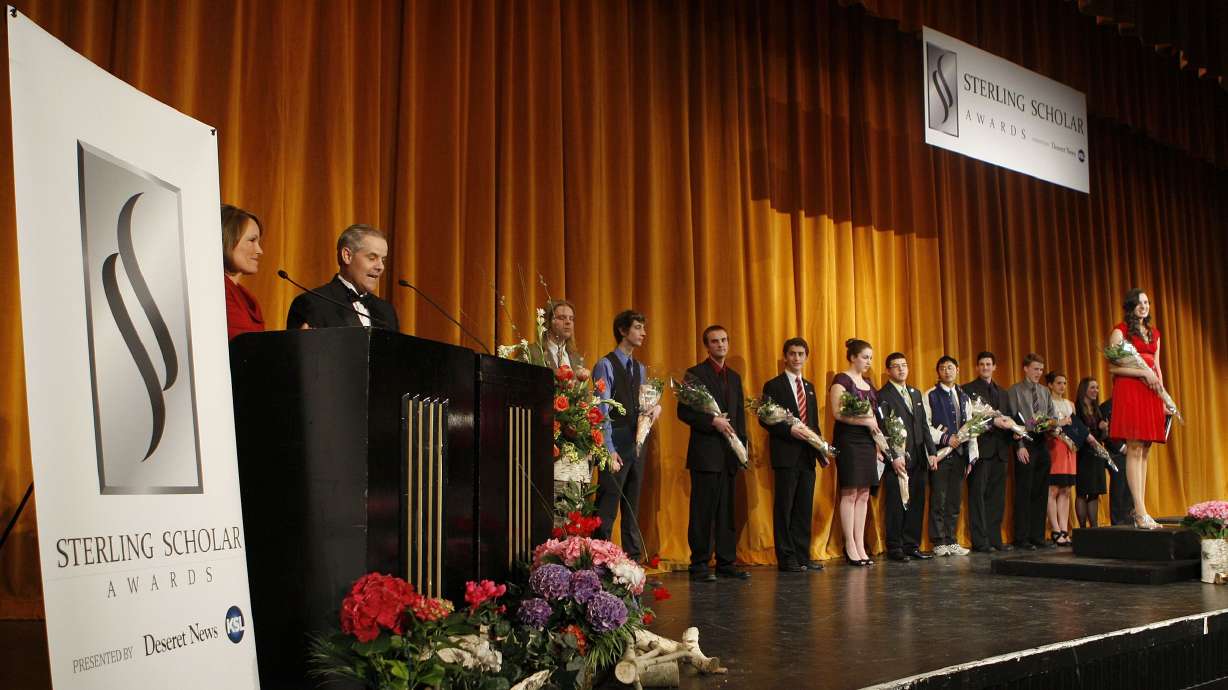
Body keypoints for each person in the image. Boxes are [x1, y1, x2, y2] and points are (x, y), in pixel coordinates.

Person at [679, 325, 750, 582]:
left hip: (729, 455)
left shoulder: (735, 377)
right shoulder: (695, 374)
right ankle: (699, 565)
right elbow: (684, 412)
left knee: (726, 512)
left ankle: (726, 563)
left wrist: (743, 449)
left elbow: (739, 416)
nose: (720, 345)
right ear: (706, 346)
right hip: (706, 455)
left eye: (723, 340)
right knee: (703, 512)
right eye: (714, 341)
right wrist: (712, 422)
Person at [591, 310, 660, 560]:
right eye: (638, 327)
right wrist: (609, 450)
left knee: (632, 503)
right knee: (608, 504)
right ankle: (598, 558)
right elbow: (601, 409)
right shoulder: (605, 364)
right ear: (623, 330)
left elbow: (639, 405)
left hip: (635, 441)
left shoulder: (640, 368)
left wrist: (652, 410)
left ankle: (632, 560)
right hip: (615, 441)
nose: (643, 333)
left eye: (643, 327)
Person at [760, 338, 824, 572]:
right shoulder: (773, 385)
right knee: (784, 507)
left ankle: (802, 555)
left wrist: (820, 446)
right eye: (792, 354)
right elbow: (765, 418)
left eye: (801, 354)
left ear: (806, 357)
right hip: (786, 454)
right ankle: (786, 558)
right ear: (785, 357)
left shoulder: (809, 387)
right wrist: (789, 430)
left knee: (803, 507)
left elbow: (813, 422)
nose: (797, 358)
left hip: (807, 456)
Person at [1107, 288, 1168, 529]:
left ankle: (1141, 509)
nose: (1143, 306)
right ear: (1130, 307)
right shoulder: (1119, 331)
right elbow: (1113, 367)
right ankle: (1140, 512)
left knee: (1144, 449)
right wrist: (1142, 372)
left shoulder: (1154, 334)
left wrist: (1163, 398)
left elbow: (1158, 368)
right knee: (1133, 448)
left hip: (1151, 392)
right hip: (1130, 390)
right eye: (1138, 303)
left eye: (1146, 302)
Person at [877, 352, 938, 562]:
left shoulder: (915, 392)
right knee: (896, 502)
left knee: (917, 501)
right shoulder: (883, 395)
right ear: (888, 370)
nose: (901, 369)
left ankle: (911, 544)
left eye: (904, 365)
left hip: (919, 457)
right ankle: (895, 547)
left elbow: (923, 425)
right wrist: (893, 456)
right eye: (896, 366)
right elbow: (884, 428)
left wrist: (932, 452)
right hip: (898, 458)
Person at [285, 224, 399, 331]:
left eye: (383, 260)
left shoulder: (387, 312)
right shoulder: (312, 304)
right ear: (347, 256)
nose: (381, 267)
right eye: (372, 258)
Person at [829, 338, 880, 566]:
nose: (868, 361)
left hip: (868, 443)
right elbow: (838, 414)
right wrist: (866, 423)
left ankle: (860, 544)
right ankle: (849, 544)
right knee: (850, 493)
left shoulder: (869, 383)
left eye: (870, 357)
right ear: (852, 357)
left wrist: (879, 445)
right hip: (849, 441)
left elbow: (875, 419)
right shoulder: (841, 380)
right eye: (865, 357)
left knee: (864, 494)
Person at [962, 351, 1019, 552]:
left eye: (989, 364)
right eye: (982, 364)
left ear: (994, 367)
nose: (985, 367)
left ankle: (995, 538)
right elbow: (968, 419)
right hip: (981, 450)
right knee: (977, 495)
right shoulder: (968, 390)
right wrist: (992, 421)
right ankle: (980, 540)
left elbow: (1010, 417)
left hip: (1001, 450)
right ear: (977, 367)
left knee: (997, 497)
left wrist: (1016, 430)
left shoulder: (1003, 392)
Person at [924, 356, 972, 557]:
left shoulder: (963, 396)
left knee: (954, 499)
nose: (947, 371)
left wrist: (971, 456)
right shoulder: (931, 395)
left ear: (958, 370)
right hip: (941, 455)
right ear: (938, 372)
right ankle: (939, 541)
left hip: (960, 455)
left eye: (950, 368)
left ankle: (952, 539)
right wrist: (945, 438)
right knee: (939, 498)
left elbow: (971, 426)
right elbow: (926, 425)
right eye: (942, 368)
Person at [1009, 353, 1057, 550]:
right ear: (1026, 369)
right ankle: (1021, 537)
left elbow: (1052, 416)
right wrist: (1019, 446)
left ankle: (1037, 535)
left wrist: (1050, 424)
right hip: (1024, 442)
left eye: (1041, 369)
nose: (1039, 373)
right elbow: (1013, 420)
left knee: (1040, 490)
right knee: (1024, 490)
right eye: (1036, 369)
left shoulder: (1045, 392)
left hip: (1041, 442)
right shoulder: (1015, 391)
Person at [1044, 372, 1083, 546]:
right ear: (1050, 385)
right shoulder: (1047, 403)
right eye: (1059, 383)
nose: (1062, 386)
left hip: (1069, 449)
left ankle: (1064, 528)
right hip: (1055, 447)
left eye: (1065, 383)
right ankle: (1055, 529)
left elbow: (1076, 427)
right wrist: (1057, 425)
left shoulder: (1070, 405)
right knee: (1053, 490)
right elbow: (1042, 425)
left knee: (1066, 490)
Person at [221, 204, 265, 339]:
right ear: (227, 240)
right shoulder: (219, 290)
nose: (259, 251)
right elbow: (246, 344)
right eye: (252, 240)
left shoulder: (247, 296)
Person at [1074, 377, 1111, 528]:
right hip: (1083, 453)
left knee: (1095, 491)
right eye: (1092, 387)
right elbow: (1076, 431)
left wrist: (1104, 429)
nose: (1096, 390)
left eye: (1097, 387)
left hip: (1097, 453)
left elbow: (1103, 437)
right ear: (1084, 389)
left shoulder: (1097, 409)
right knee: (1082, 491)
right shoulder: (1076, 408)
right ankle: (1083, 528)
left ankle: (1094, 526)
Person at [523, 299, 588, 376]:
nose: (568, 322)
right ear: (548, 322)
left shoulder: (578, 360)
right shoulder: (531, 353)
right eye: (562, 318)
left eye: (571, 318)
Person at [1100, 396, 1134, 525]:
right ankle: (1118, 521)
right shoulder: (1106, 406)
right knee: (1119, 486)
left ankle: (1129, 517)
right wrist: (1121, 446)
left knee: (1131, 485)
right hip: (1116, 452)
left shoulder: (1132, 404)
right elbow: (1104, 432)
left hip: (1134, 450)